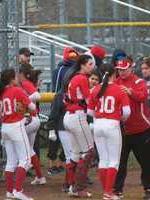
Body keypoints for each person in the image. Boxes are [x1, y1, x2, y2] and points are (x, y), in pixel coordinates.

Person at [113, 58, 150, 200]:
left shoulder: (138, 81)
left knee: (145, 162)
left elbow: (143, 96)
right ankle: (117, 190)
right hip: (122, 130)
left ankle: (149, 188)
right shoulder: (115, 82)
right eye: (119, 69)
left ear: (131, 68)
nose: (122, 72)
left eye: (124, 69)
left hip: (140, 129)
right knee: (120, 162)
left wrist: (130, 92)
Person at [88, 63, 131, 200]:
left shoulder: (95, 89)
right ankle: (108, 193)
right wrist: (120, 119)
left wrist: (100, 117)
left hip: (98, 124)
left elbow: (89, 111)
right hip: (112, 124)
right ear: (114, 74)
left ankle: (106, 191)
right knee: (113, 161)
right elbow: (127, 112)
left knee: (103, 160)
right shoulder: (119, 89)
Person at [0, 68, 36, 200]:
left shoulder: (1, 92)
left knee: (11, 161)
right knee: (26, 159)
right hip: (16, 126)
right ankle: (18, 190)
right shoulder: (16, 90)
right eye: (16, 77)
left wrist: (20, 104)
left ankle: (9, 192)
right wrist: (24, 103)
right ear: (12, 79)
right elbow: (32, 107)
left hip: (5, 128)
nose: (17, 78)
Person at [63, 54, 95, 197]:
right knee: (89, 151)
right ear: (82, 65)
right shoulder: (82, 78)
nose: (92, 67)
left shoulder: (74, 77)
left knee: (76, 154)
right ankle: (79, 188)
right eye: (89, 64)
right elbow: (89, 102)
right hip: (77, 116)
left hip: (69, 116)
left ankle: (69, 186)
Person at [47, 47, 79, 175]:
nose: (73, 59)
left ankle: (60, 166)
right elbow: (59, 90)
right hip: (61, 104)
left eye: (74, 57)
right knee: (59, 140)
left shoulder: (75, 70)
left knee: (70, 147)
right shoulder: (60, 70)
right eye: (71, 57)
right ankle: (53, 165)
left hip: (67, 105)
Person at [19, 64, 46, 185]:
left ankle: (19, 174)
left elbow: (36, 95)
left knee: (19, 147)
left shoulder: (24, 82)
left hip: (30, 119)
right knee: (30, 149)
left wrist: (24, 100)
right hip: (33, 119)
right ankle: (40, 177)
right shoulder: (25, 83)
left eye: (19, 74)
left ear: (22, 74)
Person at [46, 87, 72, 192]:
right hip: (64, 127)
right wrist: (51, 128)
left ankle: (70, 182)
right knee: (72, 156)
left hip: (76, 126)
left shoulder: (84, 91)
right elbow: (54, 113)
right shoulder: (61, 94)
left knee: (75, 155)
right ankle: (68, 184)